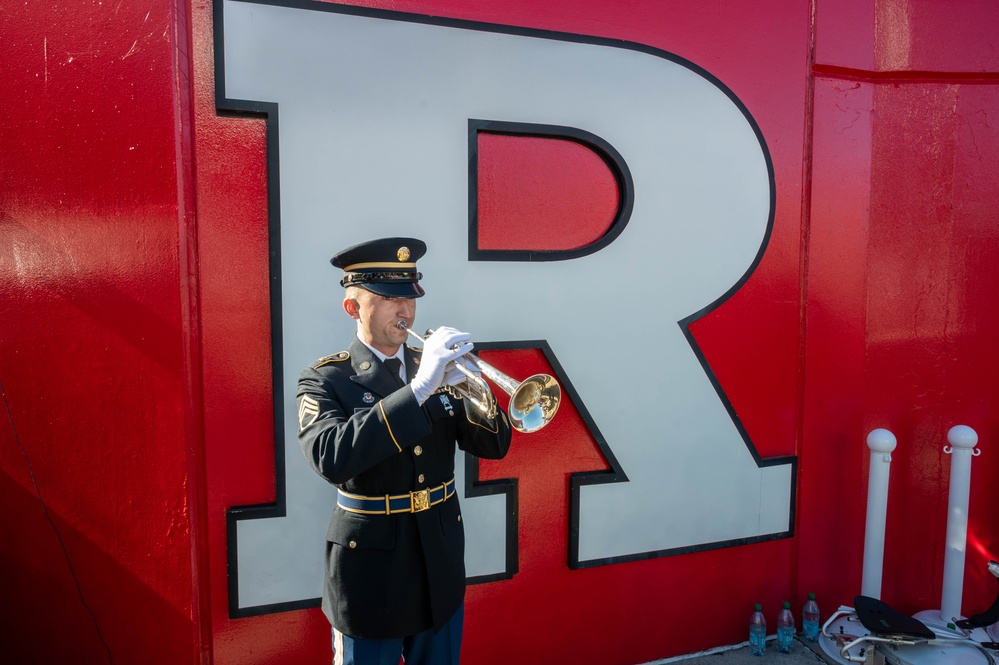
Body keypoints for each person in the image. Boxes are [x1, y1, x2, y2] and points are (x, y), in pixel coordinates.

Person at [297, 237, 513, 665]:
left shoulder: (431, 366)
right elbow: (330, 456)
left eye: (410, 298)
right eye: (389, 299)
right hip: (370, 577)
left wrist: (476, 388)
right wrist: (418, 391)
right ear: (353, 308)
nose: (406, 311)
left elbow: (494, 445)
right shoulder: (326, 380)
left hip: (439, 563)